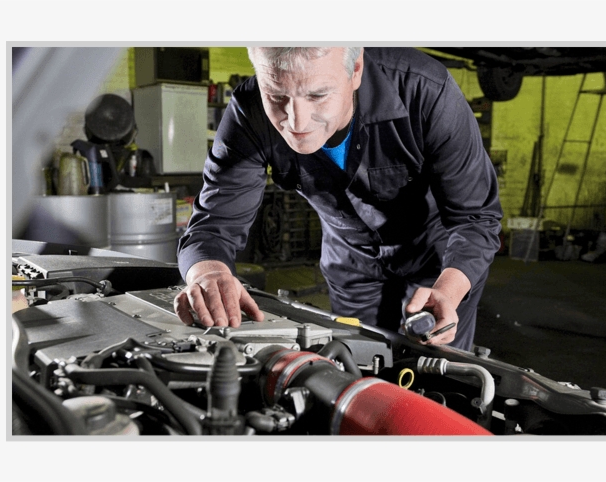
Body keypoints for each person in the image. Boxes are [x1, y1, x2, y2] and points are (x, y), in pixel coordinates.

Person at [174, 47, 502, 350]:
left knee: (439, 377)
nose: (297, 122)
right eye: (277, 96)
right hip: (350, 264)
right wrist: (208, 273)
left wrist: (448, 291)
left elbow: (476, 218)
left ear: (355, 69)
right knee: (357, 368)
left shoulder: (425, 90)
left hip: (438, 261)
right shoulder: (250, 111)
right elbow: (213, 224)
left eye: (317, 95)